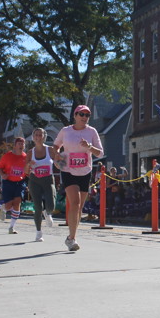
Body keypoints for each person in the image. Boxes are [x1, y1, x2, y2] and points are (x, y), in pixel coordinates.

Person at [52, 105, 104, 251]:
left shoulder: (92, 131)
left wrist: (89, 147)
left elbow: (100, 153)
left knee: (79, 207)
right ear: (75, 115)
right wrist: (57, 155)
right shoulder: (66, 131)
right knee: (75, 202)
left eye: (87, 115)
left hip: (85, 171)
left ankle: (70, 237)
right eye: (81, 114)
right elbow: (55, 146)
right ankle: (72, 239)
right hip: (67, 169)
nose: (84, 117)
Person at [26, 127, 55, 242]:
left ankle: (47, 213)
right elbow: (25, 171)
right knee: (38, 207)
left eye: (40, 135)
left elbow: (58, 161)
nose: (38, 137)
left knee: (51, 206)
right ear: (33, 138)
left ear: (44, 137)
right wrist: (29, 164)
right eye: (36, 135)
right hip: (35, 181)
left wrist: (60, 162)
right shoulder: (30, 152)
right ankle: (39, 233)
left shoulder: (50, 150)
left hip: (48, 180)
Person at [0, 136, 29, 235]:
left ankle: (11, 227)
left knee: (17, 203)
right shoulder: (7, 156)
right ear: (14, 146)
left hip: (20, 182)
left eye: (23, 144)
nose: (21, 145)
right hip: (8, 182)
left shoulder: (26, 157)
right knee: (9, 205)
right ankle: (3, 208)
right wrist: (2, 174)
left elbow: (28, 171)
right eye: (19, 143)